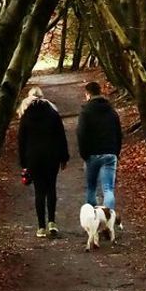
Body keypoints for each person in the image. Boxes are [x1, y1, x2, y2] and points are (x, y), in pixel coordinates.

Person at [18, 87, 69, 237]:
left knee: (39, 191)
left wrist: (23, 163)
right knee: (51, 188)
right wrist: (63, 157)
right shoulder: (53, 114)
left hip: (34, 158)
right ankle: (52, 222)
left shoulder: (26, 116)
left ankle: (41, 227)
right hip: (51, 157)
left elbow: (21, 141)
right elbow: (61, 136)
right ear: (42, 97)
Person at [76, 81, 122, 210]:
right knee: (108, 189)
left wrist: (84, 154)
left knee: (91, 188)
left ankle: (93, 220)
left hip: (92, 155)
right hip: (110, 153)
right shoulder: (111, 111)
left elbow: (81, 134)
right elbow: (118, 133)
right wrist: (116, 152)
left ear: (88, 94)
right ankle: (109, 221)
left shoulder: (85, 112)